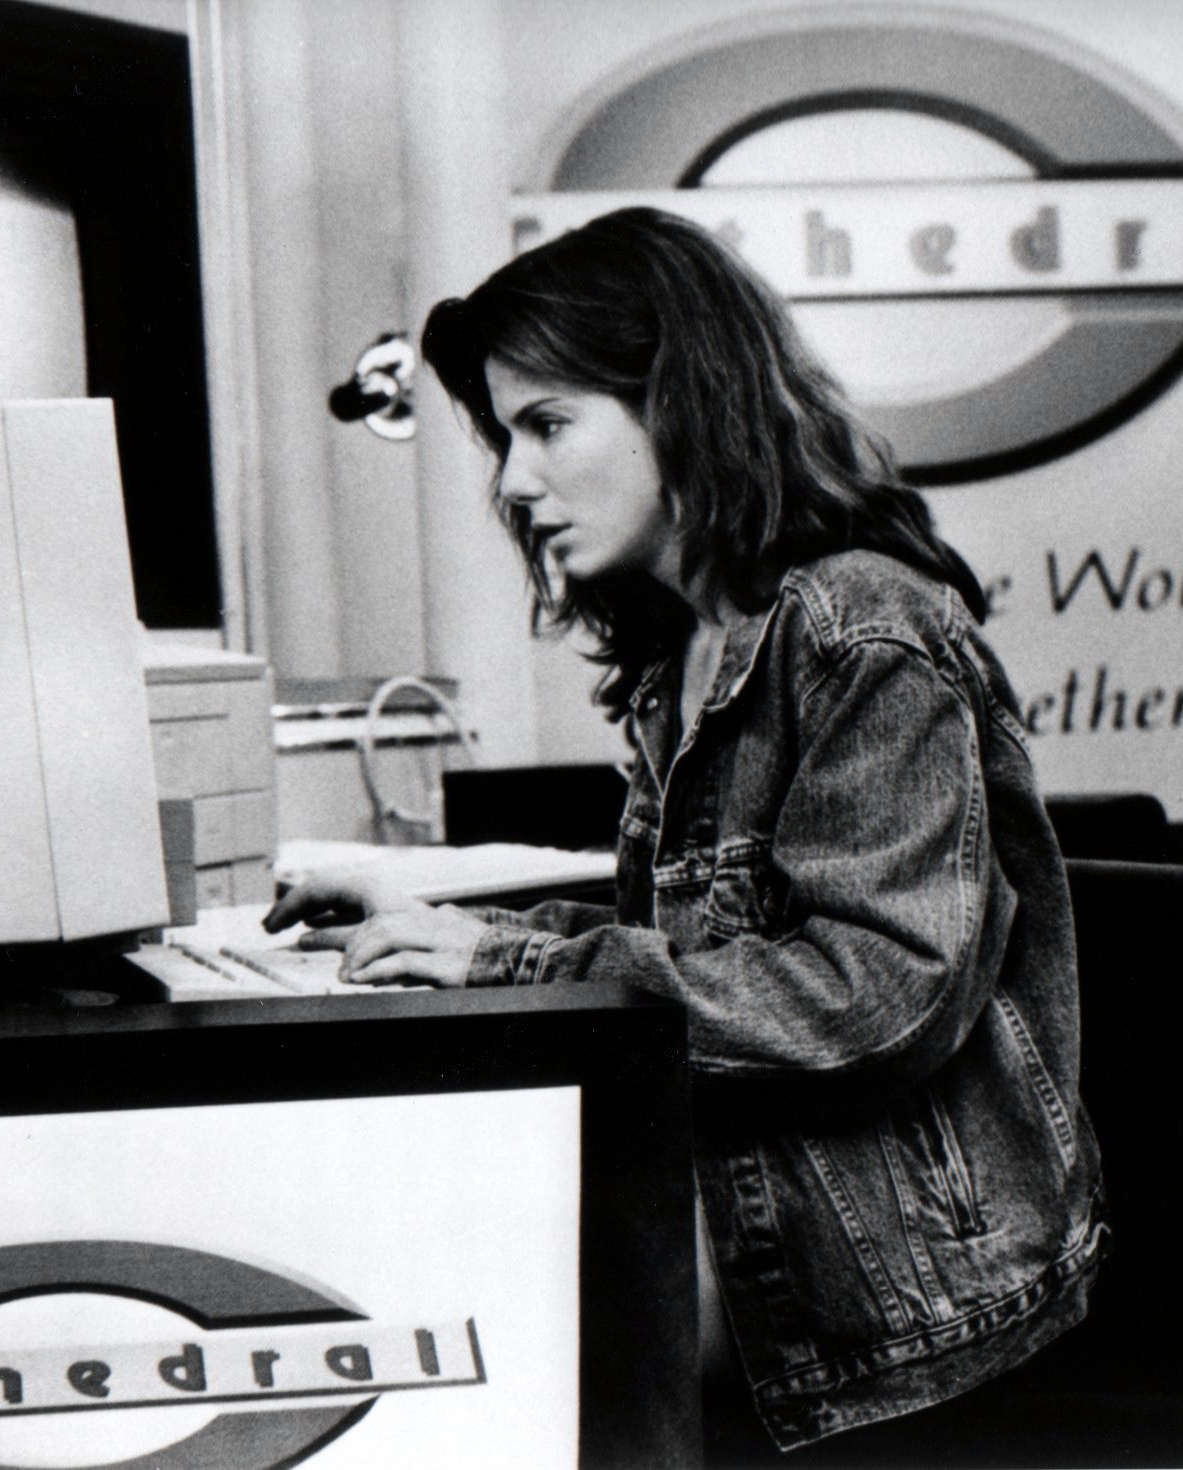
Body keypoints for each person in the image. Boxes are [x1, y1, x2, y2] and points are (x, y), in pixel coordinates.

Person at [264, 207, 1105, 1461]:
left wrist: (514, 963)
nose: (513, 482)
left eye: (548, 425)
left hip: (901, 1294)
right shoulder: (690, 651)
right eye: (505, 437)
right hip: (778, 1229)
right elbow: (712, 961)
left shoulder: (860, 628)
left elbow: (872, 999)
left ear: (683, 401)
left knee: (443, 1343)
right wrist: (459, 936)